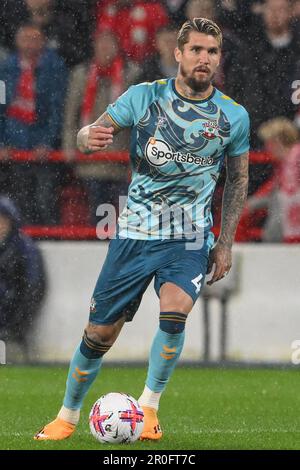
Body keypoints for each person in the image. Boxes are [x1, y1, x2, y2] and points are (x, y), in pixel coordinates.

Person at [34, 17, 249, 441]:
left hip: (188, 238)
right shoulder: (144, 97)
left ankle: (148, 409)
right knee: (99, 334)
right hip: (134, 234)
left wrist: (224, 243)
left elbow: (238, 179)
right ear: (179, 54)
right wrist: (85, 136)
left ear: (218, 58)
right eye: (197, 50)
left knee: (174, 314)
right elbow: (88, 134)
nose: (204, 59)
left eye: (212, 52)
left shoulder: (233, 115)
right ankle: (67, 415)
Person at [0, 196, 46, 355]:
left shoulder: (25, 249)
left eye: (3, 221)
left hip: (15, 315)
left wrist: (16, 322)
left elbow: (33, 288)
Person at [247, 117, 300, 242]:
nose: (266, 147)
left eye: (268, 143)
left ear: (277, 141)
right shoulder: (286, 162)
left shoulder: (296, 157)